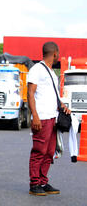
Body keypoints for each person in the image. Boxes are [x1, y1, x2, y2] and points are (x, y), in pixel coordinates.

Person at [27, 41, 71, 196]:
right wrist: (35, 117)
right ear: (55, 53)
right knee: (39, 150)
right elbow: (30, 93)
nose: (58, 56)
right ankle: (34, 184)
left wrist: (62, 105)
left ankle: (43, 182)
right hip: (42, 117)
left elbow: (52, 94)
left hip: (53, 117)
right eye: (58, 54)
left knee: (49, 152)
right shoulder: (37, 69)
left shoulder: (51, 72)